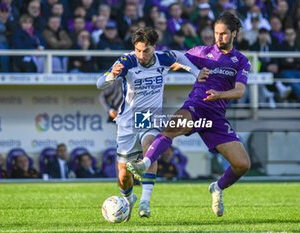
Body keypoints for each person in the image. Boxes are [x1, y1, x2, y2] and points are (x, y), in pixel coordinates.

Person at [127, 12, 251, 217]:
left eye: (224, 34)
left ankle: (217, 188)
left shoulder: (241, 61)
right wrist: (182, 69)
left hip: (216, 118)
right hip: (195, 108)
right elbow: (174, 62)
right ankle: (144, 164)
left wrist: (220, 94)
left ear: (235, 33)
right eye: (216, 33)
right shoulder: (202, 52)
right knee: (171, 127)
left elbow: (240, 91)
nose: (219, 38)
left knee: (242, 165)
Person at [96, 27, 207, 220]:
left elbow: (179, 57)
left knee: (150, 148)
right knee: (123, 175)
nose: (141, 55)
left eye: (145, 50)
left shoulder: (163, 58)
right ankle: (129, 199)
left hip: (150, 116)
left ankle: (145, 202)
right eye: (138, 50)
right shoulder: (127, 61)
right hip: (127, 121)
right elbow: (99, 84)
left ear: (154, 47)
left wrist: (196, 73)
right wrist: (112, 75)